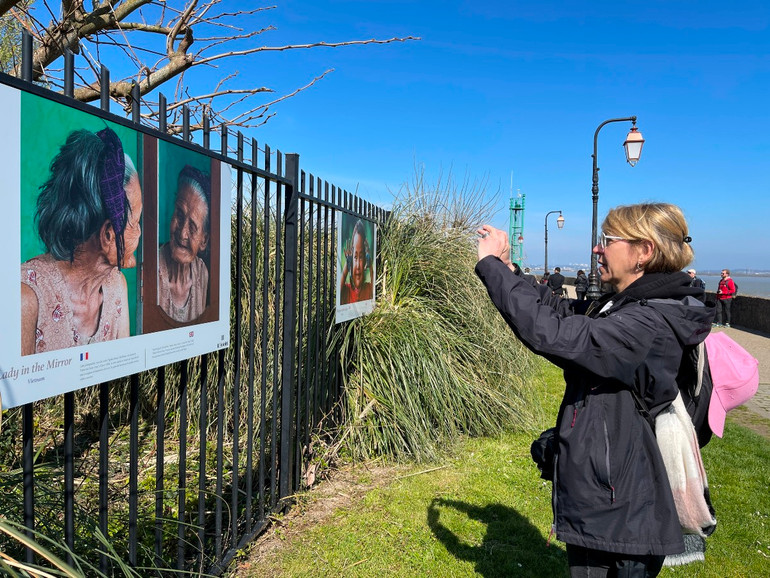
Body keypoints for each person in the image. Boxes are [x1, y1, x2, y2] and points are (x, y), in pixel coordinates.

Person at [475, 202, 713, 577]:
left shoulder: (648, 320)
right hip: (610, 494)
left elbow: (554, 334)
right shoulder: (625, 305)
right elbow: (559, 311)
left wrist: (489, 268)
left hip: (622, 508)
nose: (597, 249)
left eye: (607, 240)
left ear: (644, 252)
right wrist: (508, 271)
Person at [21, 127, 142, 355]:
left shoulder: (117, 286)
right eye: (135, 221)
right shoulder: (26, 298)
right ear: (108, 235)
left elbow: (122, 379)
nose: (140, 231)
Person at [158, 165, 211, 322]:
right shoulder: (151, 270)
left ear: (204, 241)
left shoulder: (202, 274)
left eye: (193, 227)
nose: (182, 233)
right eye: (179, 215)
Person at [339, 218, 373, 303]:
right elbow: (339, 289)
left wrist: (370, 264)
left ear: (365, 261)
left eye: (361, 257)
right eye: (355, 257)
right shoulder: (346, 290)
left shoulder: (368, 288)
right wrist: (348, 264)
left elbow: (374, 284)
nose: (357, 266)